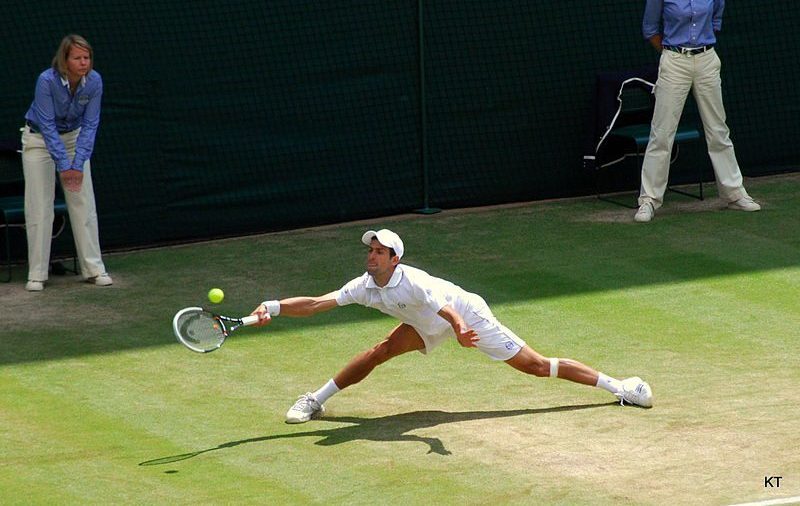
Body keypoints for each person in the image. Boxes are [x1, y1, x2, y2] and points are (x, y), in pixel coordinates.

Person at [250, 229, 653, 424]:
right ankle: (315, 400)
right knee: (380, 351)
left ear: (394, 259)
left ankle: (621, 387)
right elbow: (318, 304)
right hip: (426, 323)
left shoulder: (415, 282)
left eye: (378, 252)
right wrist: (275, 307)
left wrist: (461, 330)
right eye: (370, 251)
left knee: (534, 365)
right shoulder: (365, 285)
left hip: (464, 313)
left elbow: (446, 311)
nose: (370, 257)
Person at [634, 0, 761, 223]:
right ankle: (649, 200)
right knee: (662, 133)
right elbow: (650, 29)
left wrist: (700, 49)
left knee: (718, 129)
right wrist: (672, 54)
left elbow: (716, 20)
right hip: (674, 61)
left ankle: (734, 193)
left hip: (706, 60)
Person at [21, 34, 112, 291]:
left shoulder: (94, 81)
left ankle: (94, 269)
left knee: (84, 203)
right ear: (65, 60)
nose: (84, 62)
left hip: (74, 140)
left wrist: (78, 161)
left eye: (87, 57)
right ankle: (37, 275)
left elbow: (91, 124)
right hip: (38, 141)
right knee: (40, 207)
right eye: (77, 58)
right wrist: (65, 165)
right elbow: (47, 126)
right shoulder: (46, 81)